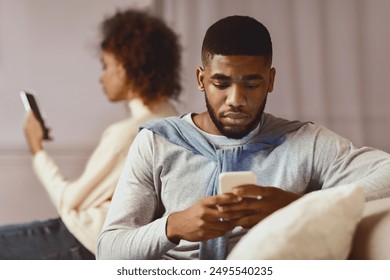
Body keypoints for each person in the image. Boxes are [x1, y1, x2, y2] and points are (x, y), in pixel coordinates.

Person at [96, 15, 390, 260]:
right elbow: (108, 250)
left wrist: (297, 205)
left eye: (251, 83)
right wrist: (173, 227)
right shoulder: (157, 142)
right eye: (220, 83)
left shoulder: (305, 142)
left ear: (270, 80)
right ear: (201, 79)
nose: (236, 100)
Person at [0, 9, 181, 259]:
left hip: (86, 242)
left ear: (125, 67)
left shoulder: (128, 135)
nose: (101, 78)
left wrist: (37, 150)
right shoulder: (176, 121)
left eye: (106, 66)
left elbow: (69, 202)